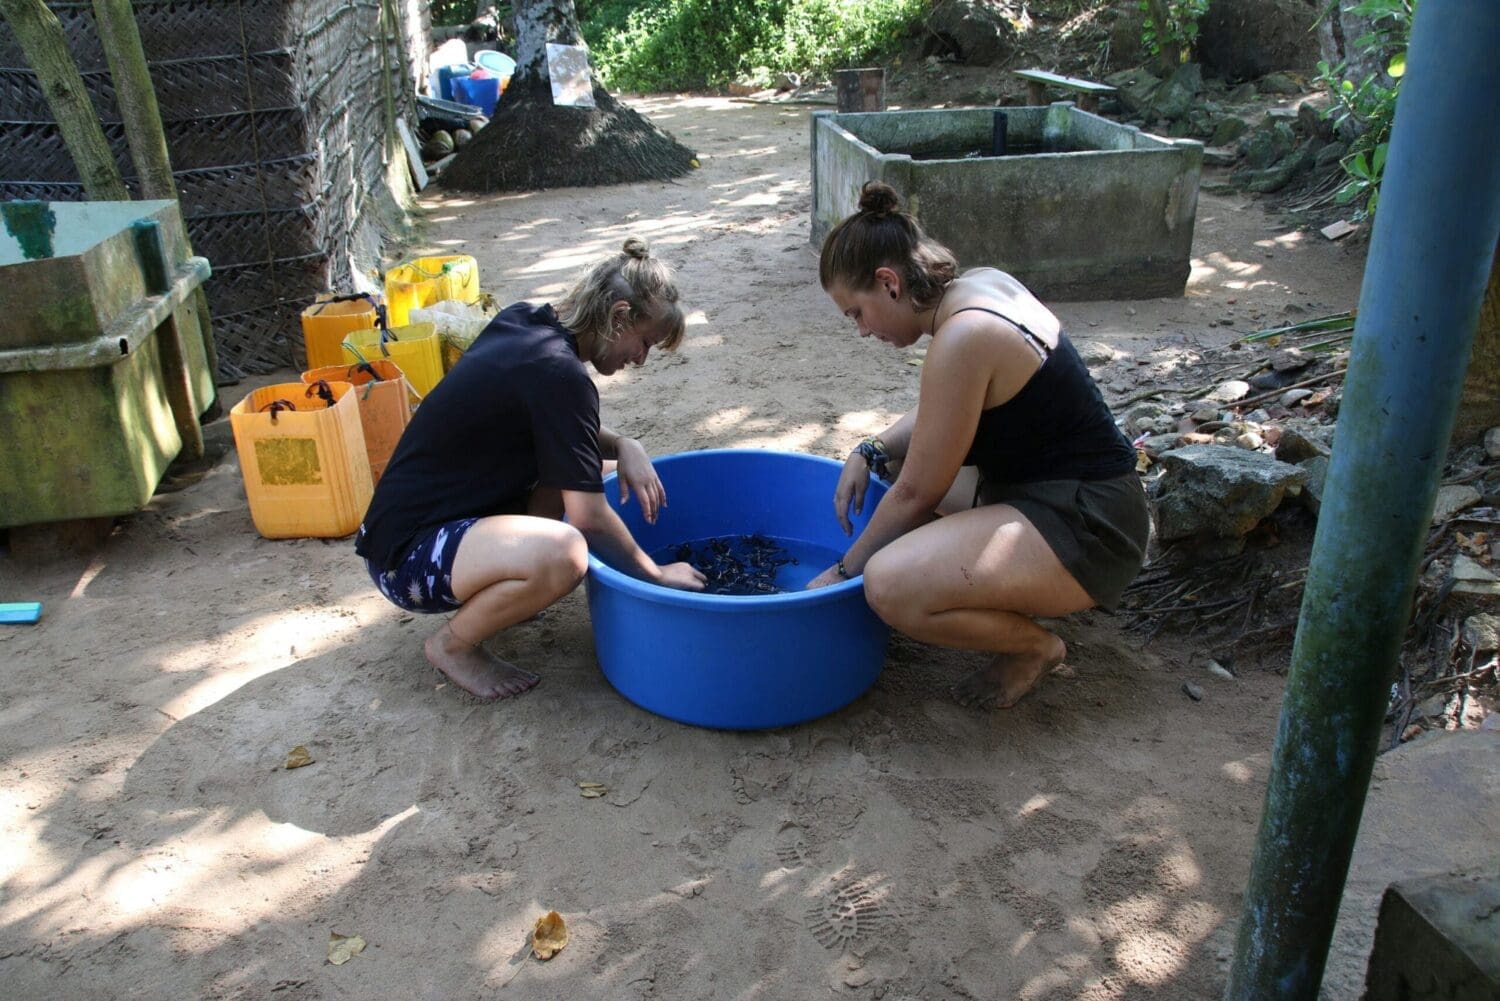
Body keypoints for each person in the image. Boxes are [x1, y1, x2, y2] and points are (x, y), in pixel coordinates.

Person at [806, 181, 1150, 709]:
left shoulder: (964, 338)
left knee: (887, 585)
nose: (861, 330)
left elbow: (918, 492)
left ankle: (1035, 648)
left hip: (1092, 525)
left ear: (889, 283)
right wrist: (869, 449)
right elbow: (947, 410)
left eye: (856, 312)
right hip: (1052, 489)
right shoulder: (979, 288)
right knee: (892, 468)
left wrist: (841, 572)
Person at [355, 238, 706, 701]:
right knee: (566, 552)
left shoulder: (526, 323)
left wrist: (625, 444)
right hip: (408, 564)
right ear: (618, 316)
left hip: (396, 538)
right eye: (644, 342)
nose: (640, 358)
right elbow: (588, 517)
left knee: (573, 474)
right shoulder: (562, 376)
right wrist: (655, 574)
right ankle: (452, 645)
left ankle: (507, 597)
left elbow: (565, 431)